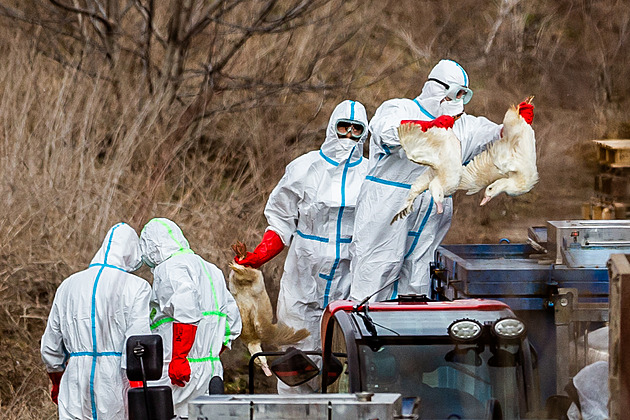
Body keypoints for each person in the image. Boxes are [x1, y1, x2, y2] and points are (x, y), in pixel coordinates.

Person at [349, 59, 534, 302]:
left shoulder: (464, 125)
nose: (458, 100)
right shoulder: (401, 108)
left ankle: (409, 336)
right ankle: (364, 332)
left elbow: (493, 137)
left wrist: (514, 125)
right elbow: (385, 131)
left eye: (463, 95)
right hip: (389, 207)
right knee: (375, 271)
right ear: (438, 89)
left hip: (431, 212)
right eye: (455, 92)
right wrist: (427, 128)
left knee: (417, 281)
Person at [234, 100, 370, 393]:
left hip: (349, 276)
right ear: (332, 127)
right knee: (295, 360)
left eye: (356, 129)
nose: (348, 135)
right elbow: (282, 222)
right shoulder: (304, 168)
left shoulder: (371, 175)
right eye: (343, 127)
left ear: (365, 133)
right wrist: (259, 256)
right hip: (303, 272)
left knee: (346, 361)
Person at [41, 222, 151, 419]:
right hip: (115, 379)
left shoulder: (68, 285)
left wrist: (56, 379)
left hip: (73, 379)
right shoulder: (137, 286)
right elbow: (137, 342)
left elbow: (50, 346)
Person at [139, 217, 242, 417]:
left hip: (179, 372)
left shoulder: (169, 267)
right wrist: (209, 351)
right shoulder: (210, 269)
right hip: (211, 370)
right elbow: (232, 321)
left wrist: (180, 357)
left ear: (152, 246)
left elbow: (186, 309)